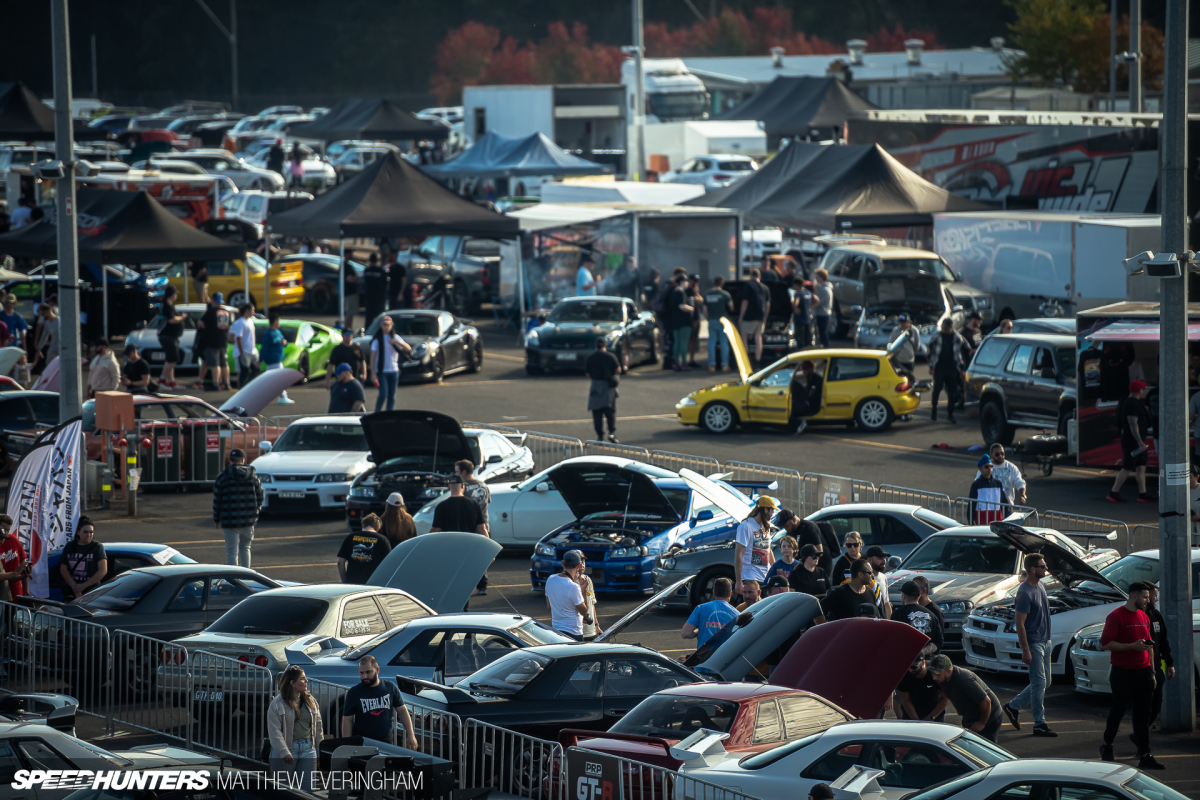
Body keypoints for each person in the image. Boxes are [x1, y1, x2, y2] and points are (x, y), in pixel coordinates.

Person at [1099, 581, 1163, 769]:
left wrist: (1151, 671)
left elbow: (1149, 645)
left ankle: (1145, 754)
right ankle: (1107, 745)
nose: (1147, 600)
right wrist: (1131, 646)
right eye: (1144, 596)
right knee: (1117, 712)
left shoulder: (1144, 616)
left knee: (1143, 715)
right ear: (1133, 596)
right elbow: (1106, 644)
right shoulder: (1116, 616)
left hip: (1143, 672)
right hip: (1122, 673)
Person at [1003, 554, 1056, 737]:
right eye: (1042, 566)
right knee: (1039, 682)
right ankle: (1039, 723)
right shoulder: (1024, 593)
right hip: (1034, 643)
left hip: (1045, 641)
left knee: (1044, 682)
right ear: (1033, 569)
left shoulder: (1040, 585)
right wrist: (1025, 649)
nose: (1045, 569)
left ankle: (1013, 706)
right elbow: (1019, 623)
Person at [341, 656, 419, 750]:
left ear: (377, 670)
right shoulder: (354, 692)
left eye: (368, 672)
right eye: (361, 673)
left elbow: (402, 710)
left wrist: (411, 735)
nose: (365, 676)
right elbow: (347, 719)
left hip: (386, 741)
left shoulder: (389, 687)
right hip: (363, 742)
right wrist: (347, 745)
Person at [267, 665, 323, 792]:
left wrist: (320, 751)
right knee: (282, 790)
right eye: (302, 679)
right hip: (287, 750)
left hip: (308, 749)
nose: (306, 681)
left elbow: (318, 728)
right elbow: (274, 731)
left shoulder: (311, 700)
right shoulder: (277, 704)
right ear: (292, 683)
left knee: (308, 790)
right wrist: (284, 752)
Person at [927, 654, 1005, 742]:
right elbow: (949, 693)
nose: (934, 677)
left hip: (989, 716)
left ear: (949, 671)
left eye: (937, 674)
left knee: (984, 749)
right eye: (932, 673)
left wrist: (982, 723)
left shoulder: (964, 679)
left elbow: (986, 701)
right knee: (969, 747)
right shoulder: (942, 678)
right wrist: (959, 708)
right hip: (970, 716)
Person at [212, 449, 264, 568]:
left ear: (230, 460)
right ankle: (247, 574)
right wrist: (256, 510)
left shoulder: (222, 477)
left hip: (229, 521)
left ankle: (234, 578)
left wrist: (217, 519)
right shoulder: (252, 476)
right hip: (248, 520)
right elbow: (260, 495)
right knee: (245, 548)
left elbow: (217, 500)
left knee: (232, 551)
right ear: (243, 460)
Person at [1109, 380, 1155, 503]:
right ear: (1139, 390)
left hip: (1137, 442)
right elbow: (1132, 424)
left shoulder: (1133, 402)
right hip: (1132, 442)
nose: (1143, 391)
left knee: (1141, 467)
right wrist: (1139, 442)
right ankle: (1114, 492)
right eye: (1142, 389)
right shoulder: (1131, 404)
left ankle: (1142, 493)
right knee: (1127, 467)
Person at [457, 459, 492, 596]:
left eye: (457, 471)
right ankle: (482, 586)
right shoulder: (483, 485)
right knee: (480, 559)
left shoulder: (463, 488)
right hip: (484, 525)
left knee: (465, 559)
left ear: (464, 472)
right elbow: (487, 503)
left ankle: (466, 585)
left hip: (468, 527)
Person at [1144, 585, 1175, 729]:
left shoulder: (1156, 614)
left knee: (1156, 705)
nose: (1157, 598)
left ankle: (1140, 734)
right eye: (1154, 595)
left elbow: (1163, 640)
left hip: (1157, 667)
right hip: (1142, 668)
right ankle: (1141, 737)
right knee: (1143, 705)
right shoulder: (1138, 615)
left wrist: (1169, 663)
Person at [734, 496, 776, 600]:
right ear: (765, 509)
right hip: (750, 577)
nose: (772, 514)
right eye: (772, 510)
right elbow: (738, 555)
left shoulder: (766, 526)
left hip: (765, 577)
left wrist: (775, 571)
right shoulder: (746, 526)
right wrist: (739, 581)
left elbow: (768, 550)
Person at [369, 315, 412, 412]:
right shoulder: (377, 339)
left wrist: (397, 342)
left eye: (388, 325)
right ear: (381, 325)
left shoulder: (395, 337)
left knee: (392, 396)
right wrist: (373, 373)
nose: (386, 327)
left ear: (392, 325)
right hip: (381, 371)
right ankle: (377, 411)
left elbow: (408, 349)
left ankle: (389, 413)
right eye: (384, 325)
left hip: (394, 370)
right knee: (383, 394)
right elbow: (373, 356)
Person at [59, 517, 107, 602]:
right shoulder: (70, 546)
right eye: (85, 532)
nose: (88, 535)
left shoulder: (97, 547)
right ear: (78, 532)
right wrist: (75, 587)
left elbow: (103, 570)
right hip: (72, 591)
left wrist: (84, 586)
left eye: (91, 532)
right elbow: (63, 568)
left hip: (92, 592)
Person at [927, 318, 966, 423]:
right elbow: (931, 352)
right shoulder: (936, 337)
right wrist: (931, 366)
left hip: (952, 367)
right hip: (940, 367)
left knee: (952, 392)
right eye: (943, 328)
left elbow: (960, 354)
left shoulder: (957, 337)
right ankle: (934, 410)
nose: (944, 331)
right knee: (937, 389)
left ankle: (950, 414)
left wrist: (962, 369)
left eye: (946, 329)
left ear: (951, 327)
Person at [546, 550, 590, 640]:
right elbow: (584, 611)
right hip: (573, 632)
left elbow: (549, 606)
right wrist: (583, 590)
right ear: (578, 565)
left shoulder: (550, 579)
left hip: (556, 631)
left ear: (562, 563)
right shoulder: (573, 587)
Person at [683, 577, 738, 648]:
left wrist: (699, 630)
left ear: (714, 592)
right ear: (730, 593)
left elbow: (685, 633)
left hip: (705, 656)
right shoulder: (736, 614)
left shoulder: (701, 608)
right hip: (726, 656)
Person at [337, 513, 391, 584]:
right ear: (377, 529)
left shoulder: (351, 537)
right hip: (373, 583)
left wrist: (344, 580)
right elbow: (388, 564)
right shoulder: (382, 540)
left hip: (352, 582)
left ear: (363, 525)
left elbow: (340, 562)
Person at [892, 580, 943, 655]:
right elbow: (938, 642)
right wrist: (922, 653)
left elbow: (893, 640)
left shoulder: (898, 614)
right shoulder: (932, 615)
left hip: (903, 659)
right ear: (919, 596)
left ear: (903, 595)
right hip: (924, 662)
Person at [585, 338, 621, 443]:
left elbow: (588, 374)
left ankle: (600, 436)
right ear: (605, 345)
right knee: (610, 413)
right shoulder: (610, 357)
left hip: (595, 387)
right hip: (608, 387)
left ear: (596, 346)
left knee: (597, 414)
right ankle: (611, 433)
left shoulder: (591, 358)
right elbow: (618, 369)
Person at [195, 293, 230, 391]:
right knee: (224, 363)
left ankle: (216, 383)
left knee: (215, 364)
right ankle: (226, 382)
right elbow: (229, 326)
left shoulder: (210, 312)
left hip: (212, 341)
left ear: (213, 300)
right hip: (223, 340)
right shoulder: (226, 312)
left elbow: (200, 323)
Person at [897, 657, 946, 722]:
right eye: (907, 667)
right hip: (911, 715)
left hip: (935, 715)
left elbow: (945, 698)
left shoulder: (935, 673)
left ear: (923, 662)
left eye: (913, 667)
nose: (910, 670)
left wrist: (931, 717)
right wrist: (916, 721)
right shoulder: (903, 675)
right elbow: (906, 700)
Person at [737, 268, 770, 364]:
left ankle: (746, 361)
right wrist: (765, 318)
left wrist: (741, 317)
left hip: (748, 317)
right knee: (758, 338)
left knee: (744, 337)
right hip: (760, 317)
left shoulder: (748, 286)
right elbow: (768, 304)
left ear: (751, 276)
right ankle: (757, 361)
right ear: (759, 276)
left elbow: (745, 302)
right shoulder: (765, 287)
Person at [261, 312, 294, 405]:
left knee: (276, 381)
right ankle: (282, 397)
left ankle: (282, 396)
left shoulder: (278, 332)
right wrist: (260, 360)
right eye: (278, 320)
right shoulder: (268, 334)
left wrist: (285, 343)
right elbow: (265, 348)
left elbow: (283, 342)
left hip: (278, 361)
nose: (279, 322)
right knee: (277, 381)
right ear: (275, 321)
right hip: (272, 362)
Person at [969, 454, 1010, 524]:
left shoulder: (998, 483)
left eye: (991, 466)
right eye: (986, 467)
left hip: (997, 519)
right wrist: (970, 522)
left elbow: (1004, 503)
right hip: (982, 520)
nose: (989, 469)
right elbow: (971, 505)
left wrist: (1007, 518)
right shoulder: (976, 484)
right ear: (980, 469)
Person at [703, 276, 733, 371]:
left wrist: (708, 318)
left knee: (711, 343)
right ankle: (725, 365)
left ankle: (712, 365)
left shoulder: (706, 294)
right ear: (722, 283)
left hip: (712, 320)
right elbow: (731, 307)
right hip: (723, 321)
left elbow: (704, 310)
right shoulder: (725, 294)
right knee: (724, 343)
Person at [667, 274, 694, 372]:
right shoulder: (681, 292)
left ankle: (676, 363)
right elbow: (682, 306)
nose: (687, 283)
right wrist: (691, 308)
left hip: (674, 320)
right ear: (682, 282)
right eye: (686, 281)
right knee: (683, 342)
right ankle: (684, 363)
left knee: (677, 342)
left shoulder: (673, 292)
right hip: (684, 321)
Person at [0, 515, 30, 603]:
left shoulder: (13, 540)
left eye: (8, 530)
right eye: (3, 529)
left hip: (15, 594)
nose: (5, 533)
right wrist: (16, 572)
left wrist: (26, 593)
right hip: (2, 596)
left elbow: (23, 564)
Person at [958, 311, 984, 410]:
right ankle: (962, 401)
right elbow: (962, 351)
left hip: (977, 362)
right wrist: (962, 368)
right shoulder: (964, 333)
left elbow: (978, 345)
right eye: (978, 319)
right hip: (967, 363)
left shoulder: (978, 331)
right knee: (966, 384)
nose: (980, 322)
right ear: (972, 319)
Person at [789, 360, 823, 435]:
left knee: (789, 410)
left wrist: (805, 396)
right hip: (808, 401)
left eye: (804, 370)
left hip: (810, 404)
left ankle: (799, 423)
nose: (804, 372)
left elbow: (812, 396)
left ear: (809, 370)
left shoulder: (816, 380)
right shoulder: (810, 378)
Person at [231, 303, 259, 389]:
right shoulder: (241, 322)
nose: (254, 312)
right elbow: (238, 337)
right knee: (244, 372)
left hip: (252, 351)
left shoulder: (250, 321)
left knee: (256, 370)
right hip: (245, 352)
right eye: (252, 310)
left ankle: (248, 386)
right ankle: (242, 388)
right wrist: (241, 352)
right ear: (247, 310)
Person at [863, 545, 893, 618]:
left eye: (884, 558)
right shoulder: (863, 579)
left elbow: (886, 603)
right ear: (869, 560)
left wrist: (889, 624)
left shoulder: (883, 577)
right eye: (880, 558)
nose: (883, 561)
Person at [887, 315, 919, 380]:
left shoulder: (914, 331)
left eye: (904, 322)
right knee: (900, 378)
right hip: (898, 359)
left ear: (909, 322)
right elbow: (890, 343)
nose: (902, 324)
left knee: (910, 377)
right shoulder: (895, 330)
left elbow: (916, 346)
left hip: (909, 360)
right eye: (901, 322)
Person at [811, 268, 834, 349]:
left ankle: (826, 350)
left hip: (823, 314)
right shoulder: (826, 288)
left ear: (821, 277)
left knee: (823, 335)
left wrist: (810, 308)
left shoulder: (824, 289)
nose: (816, 279)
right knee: (823, 334)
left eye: (817, 277)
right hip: (825, 314)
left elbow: (818, 302)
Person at [362, 253, 388, 324]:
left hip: (370, 297)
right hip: (378, 298)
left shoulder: (367, 270)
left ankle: (369, 331)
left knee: (370, 318)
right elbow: (385, 283)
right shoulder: (380, 271)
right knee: (378, 317)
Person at [791, 277, 813, 350]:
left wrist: (795, 308)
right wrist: (810, 307)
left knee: (800, 342)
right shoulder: (808, 292)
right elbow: (817, 300)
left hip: (800, 321)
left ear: (797, 285)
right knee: (808, 341)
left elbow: (795, 303)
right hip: (808, 320)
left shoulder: (798, 293)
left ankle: (801, 357)